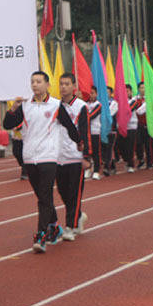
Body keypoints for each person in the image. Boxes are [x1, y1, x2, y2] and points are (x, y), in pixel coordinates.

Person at [2, 70, 80, 253]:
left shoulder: (55, 105)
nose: (35, 85)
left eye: (38, 81)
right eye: (32, 81)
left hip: (49, 156)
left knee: (44, 196)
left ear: (47, 85)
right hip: (30, 157)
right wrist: (13, 109)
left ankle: (41, 234)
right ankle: (55, 226)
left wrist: (81, 146)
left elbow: (70, 127)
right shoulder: (25, 105)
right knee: (42, 196)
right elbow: (7, 125)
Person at [53, 73, 90, 241]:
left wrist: (86, 156)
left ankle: (70, 226)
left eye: (67, 84)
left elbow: (85, 132)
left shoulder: (81, 106)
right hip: (58, 156)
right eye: (61, 84)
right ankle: (78, 215)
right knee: (63, 191)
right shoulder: (54, 106)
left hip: (75, 156)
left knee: (74, 193)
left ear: (73, 86)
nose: (63, 87)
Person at [85, 88, 104, 180]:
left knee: (96, 152)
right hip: (86, 132)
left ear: (96, 94)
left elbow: (91, 116)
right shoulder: (85, 104)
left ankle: (96, 170)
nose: (91, 95)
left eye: (92, 93)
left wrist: (83, 117)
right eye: (89, 93)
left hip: (95, 131)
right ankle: (88, 168)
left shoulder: (98, 105)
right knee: (87, 152)